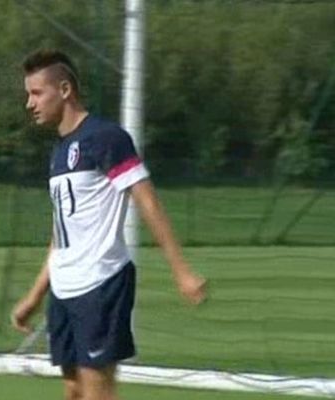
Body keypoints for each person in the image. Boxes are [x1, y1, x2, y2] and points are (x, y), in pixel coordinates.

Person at [11, 49, 207, 400]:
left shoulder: (106, 137)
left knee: (98, 392)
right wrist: (35, 296)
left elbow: (147, 200)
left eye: (37, 93)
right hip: (65, 288)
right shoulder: (59, 154)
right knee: (73, 390)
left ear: (65, 89)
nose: (30, 103)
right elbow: (62, 233)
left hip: (100, 283)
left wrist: (182, 272)